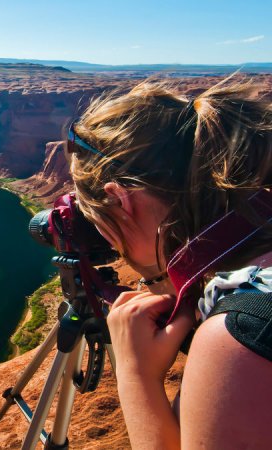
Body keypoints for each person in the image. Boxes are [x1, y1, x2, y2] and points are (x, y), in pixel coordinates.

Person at [67, 75, 272, 449]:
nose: (112, 246)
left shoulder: (241, 338)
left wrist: (135, 374)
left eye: (102, 227)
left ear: (120, 200)